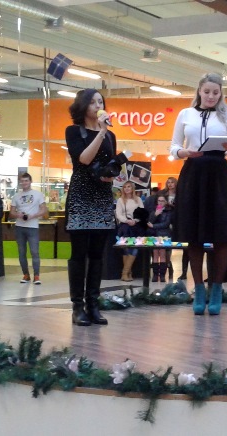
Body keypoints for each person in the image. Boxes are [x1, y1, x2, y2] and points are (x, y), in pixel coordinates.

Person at [170, 72, 227, 316]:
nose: (211, 96)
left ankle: (217, 289)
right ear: (199, 91)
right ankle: (199, 290)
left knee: (221, 235)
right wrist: (182, 153)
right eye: (207, 91)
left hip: (219, 174)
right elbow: (174, 146)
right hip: (193, 173)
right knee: (194, 235)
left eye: (216, 92)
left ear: (221, 93)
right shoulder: (185, 114)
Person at [65, 88, 117, 327]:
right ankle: (77, 307)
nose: (98, 106)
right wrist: (101, 131)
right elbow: (84, 159)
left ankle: (93, 305)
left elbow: (109, 162)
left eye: (101, 102)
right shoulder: (74, 131)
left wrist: (112, 173)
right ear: (83, 106)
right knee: (79, 254)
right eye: (94, 102)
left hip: (102, 195)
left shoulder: (111, 136)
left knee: (97, 254)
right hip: (81, 196)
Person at [10, 173, 47, 284]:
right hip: (19, 227)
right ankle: (26, 275)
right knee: (21, 252)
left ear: (30, 181)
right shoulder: (16, 196)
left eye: (26, 180)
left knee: (34, 252)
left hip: (33, 227)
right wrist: (18, 215)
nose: (24, 183)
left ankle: (36, 275)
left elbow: (44, 210)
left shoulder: (38, 194)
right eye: (22, 181)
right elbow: (11, 212)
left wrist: (33, 216)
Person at [115, 181, 145, 282]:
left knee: (135, 248)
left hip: (136, 227)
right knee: (126, 249)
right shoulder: (120, 200)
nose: (127, 188)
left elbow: (142, 214)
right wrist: (126, 221)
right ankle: (127, 273)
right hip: (125, 227)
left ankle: (125, 273)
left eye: (129, 187)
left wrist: (135, 220)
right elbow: (118, 214)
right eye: (125, 187)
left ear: (132, 188)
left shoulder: (138, 199)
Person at [147, 191, 173, 282]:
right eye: (159, 201)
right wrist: (155, 215)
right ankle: (155, 275)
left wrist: (153, 226)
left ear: (165, 202)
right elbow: (149, 222)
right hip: (154, 235)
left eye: (162, 201)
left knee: (162, 254)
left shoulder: (168, 211)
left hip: (164, 234)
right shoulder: (153, 211)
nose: (160, 202)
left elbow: (166, 224)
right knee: (155, 254)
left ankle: (162, 275)